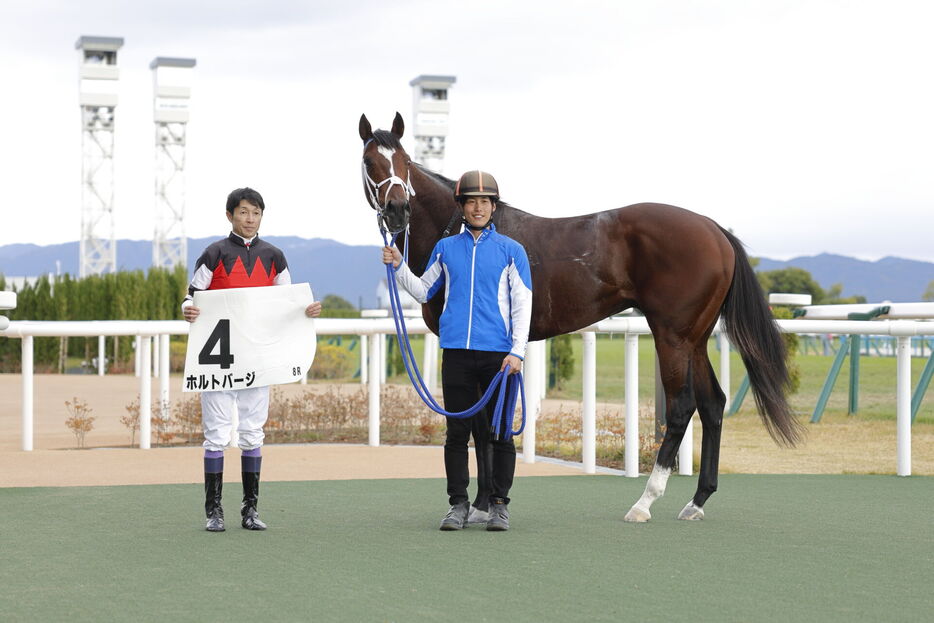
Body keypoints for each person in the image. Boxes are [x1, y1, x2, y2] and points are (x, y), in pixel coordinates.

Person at [382, 170, 532, 531]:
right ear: (461, 206)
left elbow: (522, 304)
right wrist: (398, 265)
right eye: (471, 201)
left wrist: (517, 352)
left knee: (500, 433)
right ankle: (458, 504)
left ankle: (499, 505)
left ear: (493, 207)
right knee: (456, 433)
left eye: (484, 201)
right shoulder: (446, 248)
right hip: (457, 354)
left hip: (499, 358)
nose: (478, 207)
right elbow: (422, 291)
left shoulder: (512, 251)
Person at [183, 187, 321, 532]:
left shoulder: (275, 255)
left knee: (252, 433)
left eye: (255, 213)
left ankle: (250, 511)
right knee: (216, 435)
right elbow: (190, 297)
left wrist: (306, 309)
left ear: (262, 216)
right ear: (230, 215)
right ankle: (213, 512)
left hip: (258, 358)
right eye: (243, 212)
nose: (250, 219)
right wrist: (188, 311)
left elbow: (287, 301)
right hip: (219, 361)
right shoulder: (214, 253)